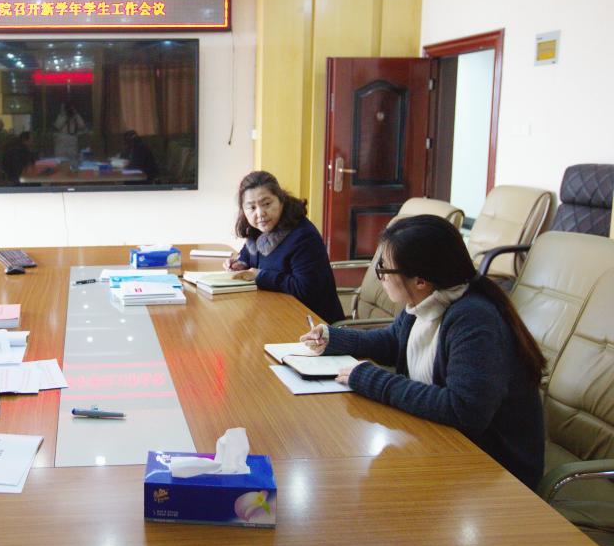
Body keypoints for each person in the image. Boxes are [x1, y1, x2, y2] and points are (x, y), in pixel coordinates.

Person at [299, 215, 545, 488]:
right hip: (441, 441)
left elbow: (464, 410)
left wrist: (372, 379)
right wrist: (335, 339)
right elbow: (393, 342)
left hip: (493, 469)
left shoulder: (474, 320)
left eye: (384, 268)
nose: (380, 277)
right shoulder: (426, 301)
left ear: (420, 281)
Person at [225, 171, 344, 324]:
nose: (260, 213)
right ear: (243, 210)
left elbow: (305, 289)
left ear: (281, 199)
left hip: (312, 323)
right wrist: (240, 263)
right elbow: (248, 254)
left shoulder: (303, 236)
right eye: (252, 207)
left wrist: (260, 276)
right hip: (275, 314)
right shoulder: (259, 228)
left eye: (267, 204)